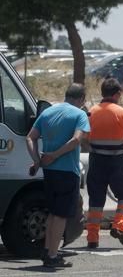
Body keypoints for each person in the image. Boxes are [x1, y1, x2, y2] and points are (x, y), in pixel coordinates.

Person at [26, 84, 90, 268]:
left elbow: (30, 137)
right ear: (81, 99)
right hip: (68, 171)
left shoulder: (47, 113)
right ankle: (53, 255)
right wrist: (56, 154)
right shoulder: (80, 115)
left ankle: (47, 250)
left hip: (49, 172)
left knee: (53, 213)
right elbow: (78, 139)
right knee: (61, 216)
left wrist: (37, 160)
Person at [86, 78, 123, 249]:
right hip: (117, 163)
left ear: (102, 93)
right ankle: (119, 227)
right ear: (117, 94)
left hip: (96, 162)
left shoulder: (91, 112)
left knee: (96, 200)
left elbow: (84, 136)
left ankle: (92, 238)